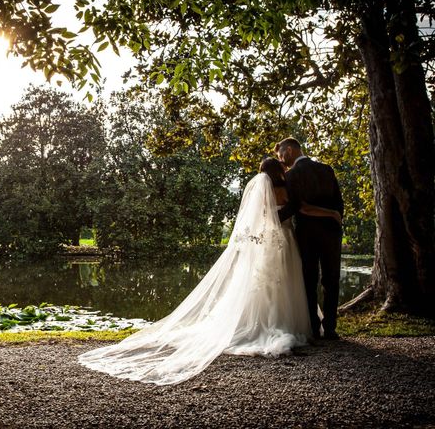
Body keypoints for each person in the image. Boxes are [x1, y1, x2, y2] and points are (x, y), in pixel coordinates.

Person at [78, 157, 339, 386]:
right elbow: (290, 212)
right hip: (285, 241)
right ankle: (297, 325)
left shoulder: (262, 190)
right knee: (285, 284)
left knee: (264, 286)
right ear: (278, 171)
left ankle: (264, 323)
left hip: (268, 244)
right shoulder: (284, 190)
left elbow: (259, 220)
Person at [275, 137, 344, 340]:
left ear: (289, 150)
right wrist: (335, 220)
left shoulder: (291, 175)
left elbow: (295, 206)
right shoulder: (326, 169)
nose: (280, 159)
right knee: (332, 279)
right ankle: (330, 328)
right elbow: (339, 202)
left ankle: (314, 327)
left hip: (306, 234)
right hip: (331, 232)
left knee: (309, 279)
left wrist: (270, 218)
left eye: (280, 154)